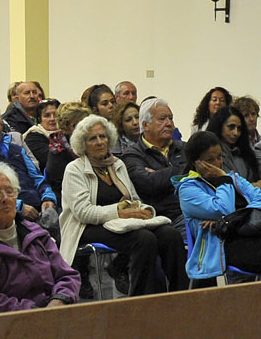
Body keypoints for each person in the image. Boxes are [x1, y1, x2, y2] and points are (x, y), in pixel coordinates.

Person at [62, 114, 186, 297]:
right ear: (83, 144)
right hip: (86, 227)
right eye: (92, 138)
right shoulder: (74, 169)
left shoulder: (116, 164)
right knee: (144, 239)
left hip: (122, 222)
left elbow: (134, 198)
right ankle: (142, 301)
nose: (99, 142)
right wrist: (119, 212)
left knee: (170, 234)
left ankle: (181, 296)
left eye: (103, 136)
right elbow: (83, 213)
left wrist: (143, 211)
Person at [175, 132, 261, 284]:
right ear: (196, 162)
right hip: (224, 248)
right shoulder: (188, 189)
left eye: (219, 157)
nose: (217, 163)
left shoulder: (234, 178)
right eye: (210, 160)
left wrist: (232, 220)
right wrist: (223, 180)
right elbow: (223, 209)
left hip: (255, 237)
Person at [0, 160, 80, 314]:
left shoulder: (36, 234)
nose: (5, 198)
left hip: (57, 314)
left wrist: (59, 300)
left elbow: (67, 275)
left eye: (10, 191)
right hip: (13, 324)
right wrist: (39, 314)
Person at [116, 98, 187, 219]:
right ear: (145, 125)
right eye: (162, 119)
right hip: (164, 217)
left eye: (171, 118)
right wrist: (185, 170)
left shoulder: (184, 148)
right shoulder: (133, 154)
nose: (169, 123)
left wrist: (159, 174)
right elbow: (148, 184)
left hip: (193, 209)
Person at [206, 106, 261, 183]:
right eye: (231, 127)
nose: (236, 133)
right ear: (219, 126)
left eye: (239, 128)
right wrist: (253, 186)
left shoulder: (245, 153)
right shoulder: (211, 155)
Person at [22, 99, 61, 171]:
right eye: (47, 115)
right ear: (39, 119)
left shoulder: (67, 132)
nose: (52, 118)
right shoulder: (33, 138)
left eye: (56, 115)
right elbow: (53, 160)